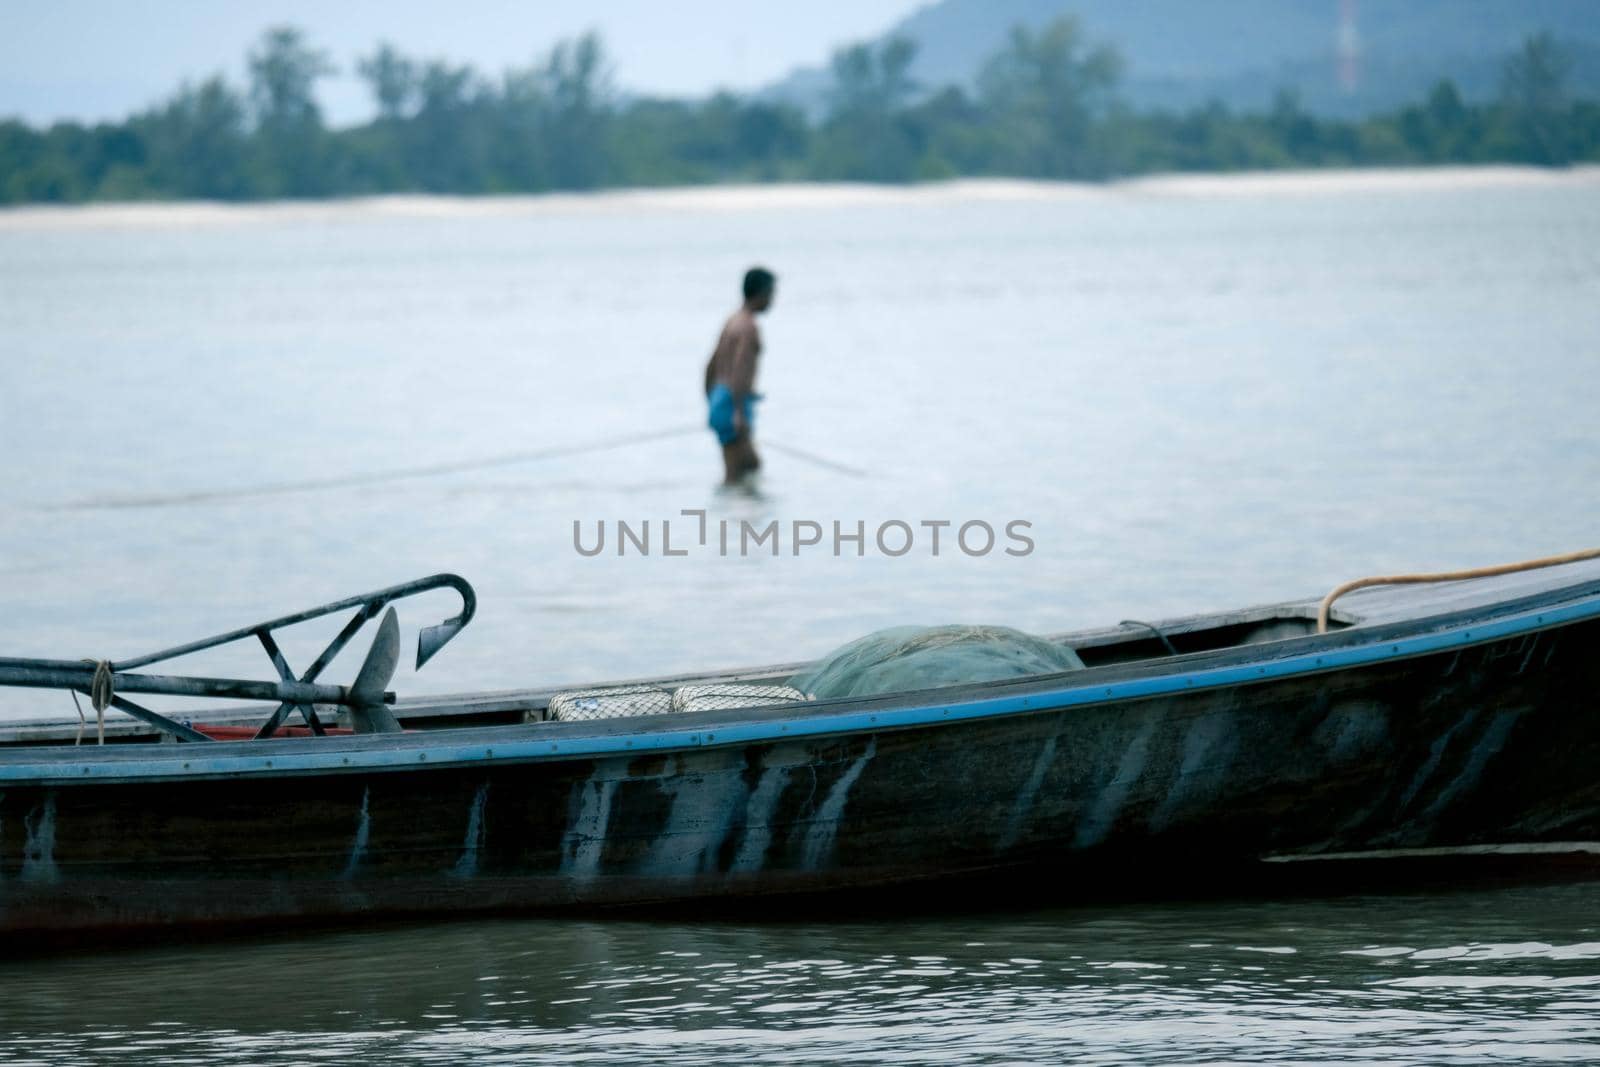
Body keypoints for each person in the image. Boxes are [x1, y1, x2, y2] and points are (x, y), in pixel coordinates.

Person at [704, 266, 776, 485]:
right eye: (771, 293)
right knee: (745, 468)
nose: (772, 300)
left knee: (738, 469)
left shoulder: (732, 320)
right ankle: (739, 517)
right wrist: (737, 413)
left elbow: (711, 365)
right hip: (733, 402)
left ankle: (726, 513)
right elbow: (740, 370)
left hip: (719, 398)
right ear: (762, 293)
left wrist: (712, 402)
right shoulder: (749, 327)